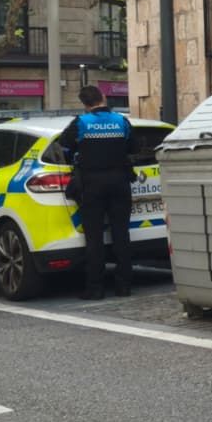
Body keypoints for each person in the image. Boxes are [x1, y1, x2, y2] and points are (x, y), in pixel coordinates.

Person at [56, 85, 134, 300]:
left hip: (92, 183)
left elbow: (64, 145)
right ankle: (124, 286)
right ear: (103, 97)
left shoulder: (81, 123)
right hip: (120, 181)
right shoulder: (121, 121)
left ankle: (95, 288)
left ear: (84, 104)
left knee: (94, 237)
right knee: (121, 235)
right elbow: (133, 146)